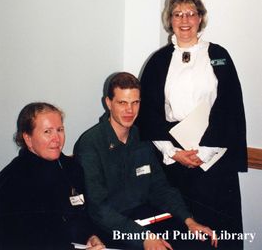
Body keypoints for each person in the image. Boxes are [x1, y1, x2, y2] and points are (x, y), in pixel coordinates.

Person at [136, 0, 247, 250]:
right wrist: (173, 152)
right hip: (174, 159)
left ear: (200, 18)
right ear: (170, 20)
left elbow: (230, 105)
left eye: (190, 13)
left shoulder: (218, 55)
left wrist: (205, 152)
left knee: (218, 233)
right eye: (177, 14)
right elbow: (150, 110)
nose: (184, 19)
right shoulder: (158, 61)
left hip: (214, 158)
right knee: (179, 231)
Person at [74, 72, 218, 250]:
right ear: (108, 103)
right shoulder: (90, 143)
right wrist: (143, 237)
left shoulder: (141, 137)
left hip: (145, 219)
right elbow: (98, 209)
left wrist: (189, 221)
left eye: (135, 103)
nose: (130, 110)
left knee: (201, 243)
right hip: (111, 228)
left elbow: (160, 188)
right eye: (122, 103)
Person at [0, 102, 105, 250]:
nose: (56, 138)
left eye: (60, 130)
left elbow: (80, 216)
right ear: (28, 138)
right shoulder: (12, 181)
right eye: (47, 132)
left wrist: (90, 236)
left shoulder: (72, 168)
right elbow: (24, 240)